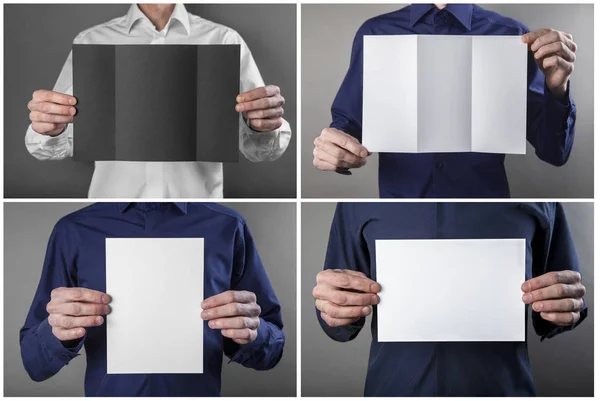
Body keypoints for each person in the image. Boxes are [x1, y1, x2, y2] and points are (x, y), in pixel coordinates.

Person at [313, 202, 587, 396]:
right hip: (393, 389)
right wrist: (334, 308)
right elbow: (337, 319)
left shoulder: (540, 204)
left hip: (503, 390)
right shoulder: (354, 206)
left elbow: (563, 301)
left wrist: (565, 307)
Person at [26, 4, 291, 198]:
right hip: (112, 206)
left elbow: (262, 149)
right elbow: (59, 142)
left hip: (199, 210)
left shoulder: (223, 40)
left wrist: (262, 125)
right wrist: (50, 127)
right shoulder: (91, 41)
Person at [313, 4, 577, 198]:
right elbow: (347, 125)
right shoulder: (375, 32)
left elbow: (554, 151)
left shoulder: (512, 36)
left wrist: (557, 87)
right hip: (399, 207)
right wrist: (333, 148)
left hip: (485, 210)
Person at [20, 202, 285, 396]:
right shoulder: (73, 230)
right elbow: (35, 364)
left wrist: (253, 331)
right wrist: (58, 331)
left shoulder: (228, 226)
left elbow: (271, 352)